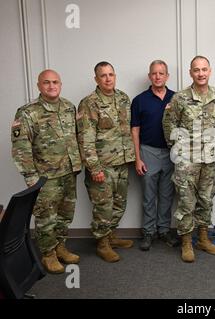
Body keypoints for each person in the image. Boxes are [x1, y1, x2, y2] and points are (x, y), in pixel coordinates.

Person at [11, 69, 81, 274]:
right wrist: (31, 177)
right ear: (38, 85)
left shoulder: (68, 107)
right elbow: (21, 147)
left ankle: (60, 247)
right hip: (45, 176)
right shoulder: (27, 112)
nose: (51, 86)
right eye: (46, 82)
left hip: (68, 171)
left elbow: (75, 136)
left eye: (55, 82)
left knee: (65, 214)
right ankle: (48, 254)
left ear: (61, 84)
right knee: (46, 217)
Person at [162, 56, 215, 263]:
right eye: (196, 70)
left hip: (209, 158)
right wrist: (178, 151)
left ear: (210, 71)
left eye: (204, 69)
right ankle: (187, 242)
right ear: (191, 73)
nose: (201, 73)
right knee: (186, 202)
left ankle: (203, 238)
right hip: (187, 160)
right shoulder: (180, 98)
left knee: (206, 199)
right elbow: (169, 125)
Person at [77, 61, 135, 262]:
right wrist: (94, 167)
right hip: (102, 166)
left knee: (119, 203)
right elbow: (86, 138)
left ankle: (110, 236)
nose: (108, 78)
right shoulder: (89, 103)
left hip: (122, 162)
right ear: (96, 79)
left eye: (111, 74)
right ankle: (102, 244)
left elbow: (127, 130)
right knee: (103, 206)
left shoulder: (123, 98)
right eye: (103, 75)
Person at [131, 60, 179, 251]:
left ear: (167, 76)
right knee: (149, 196)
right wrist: (138, 157)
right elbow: (135, 130)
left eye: (161, 73)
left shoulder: (176, 98)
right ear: (149, 76)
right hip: (147, 151)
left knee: (167, 195)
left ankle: (164, 230)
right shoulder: (139, 100)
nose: (158, 76)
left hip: (170, 153)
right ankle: (148, 232)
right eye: (154, 73)